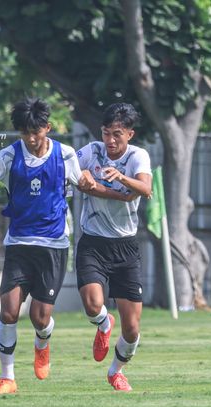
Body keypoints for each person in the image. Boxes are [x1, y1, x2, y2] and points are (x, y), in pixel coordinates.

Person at [0, 98, 95, 394]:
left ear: (47, 127)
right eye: (25, 133)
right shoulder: (7, 157)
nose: (31, 139)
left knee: (40, 317)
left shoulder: (65, 154)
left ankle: (42, 343)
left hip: (54, 244)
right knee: (8, 312)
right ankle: (8, 378)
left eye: (36, 131)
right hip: (19, 243)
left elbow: (83, 182)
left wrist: (88, 182)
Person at [75, 103, 153, 391]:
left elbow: (145, 190)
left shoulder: (137, 156)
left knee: (132, 330)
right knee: (93, 304)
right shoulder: (91, 152)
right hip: (93, 243)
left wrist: (120, 178)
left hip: (126, 248)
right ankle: (103, 323)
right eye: (106, 133)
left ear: (129, 134)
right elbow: (68, 169)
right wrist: (80, 177)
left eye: (117, 134)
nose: (110, 140)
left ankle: (115, 371)